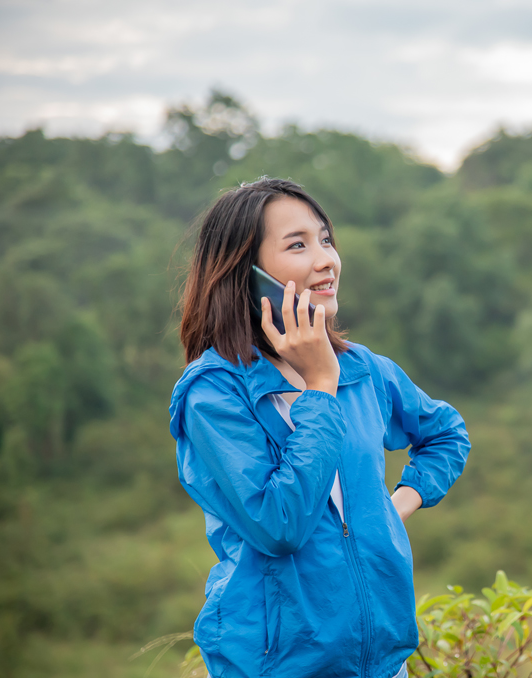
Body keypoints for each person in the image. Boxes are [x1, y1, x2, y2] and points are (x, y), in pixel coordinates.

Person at [168, 177, 470, 678]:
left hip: (382, 662)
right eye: (298, 245)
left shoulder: (364, 369)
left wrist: (397, 506)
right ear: (246, 272)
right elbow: (279, 524)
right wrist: (320, 386)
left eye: (326, 239)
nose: (326, 259)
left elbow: (446, 434)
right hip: (277, 666)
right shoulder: (214, 393)